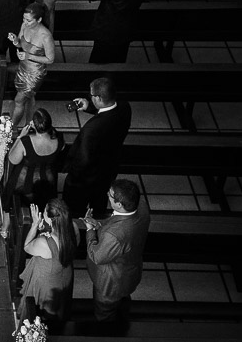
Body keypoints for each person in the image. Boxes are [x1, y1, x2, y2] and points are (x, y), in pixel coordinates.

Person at [62, 77, 132, 218]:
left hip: (85, 179)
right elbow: (110, 114)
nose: (90, 97)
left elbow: (83, 160)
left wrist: (71, 176)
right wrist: (89, 107)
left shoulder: (91, 130)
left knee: (73, 208)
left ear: (99, 98)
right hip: (109, 168)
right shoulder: (125, 107)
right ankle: (97, 216)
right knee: (99, 201)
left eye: (91, 95)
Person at [82, 179, 150, 322]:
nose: (107, 194)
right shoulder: (141, 207)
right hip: (128, 273)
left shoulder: (114, 235)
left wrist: (90, 230)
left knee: (104, 314)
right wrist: (99, 225)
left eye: (110, 195)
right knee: (123, 302)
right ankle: (123, 320)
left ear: (119, 204)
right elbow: (117, 222)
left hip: (111, 283)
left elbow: (97, 256)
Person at [19, 198, 77, 322]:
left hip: (47, 281)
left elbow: (27, 247)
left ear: (50, 219)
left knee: (42, 312)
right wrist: (45, 230)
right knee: (60, 305)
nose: (42, 212)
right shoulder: (74, 227)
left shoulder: (44, 243)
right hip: (64, 276)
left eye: (44, 211)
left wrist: (34, 225)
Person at [8, 2, 56, 128]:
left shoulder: (46, 36)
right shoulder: (24, 26)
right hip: (23, 67)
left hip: (35, 73)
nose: (25, 22)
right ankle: (29, 123)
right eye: (24, 18)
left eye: (29, 20)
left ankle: (11, 128)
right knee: (28, 97)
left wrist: (29, 56)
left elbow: (50, 59)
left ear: (39, 20)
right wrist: (15, 41)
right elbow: (20, 44)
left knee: (18, 100)